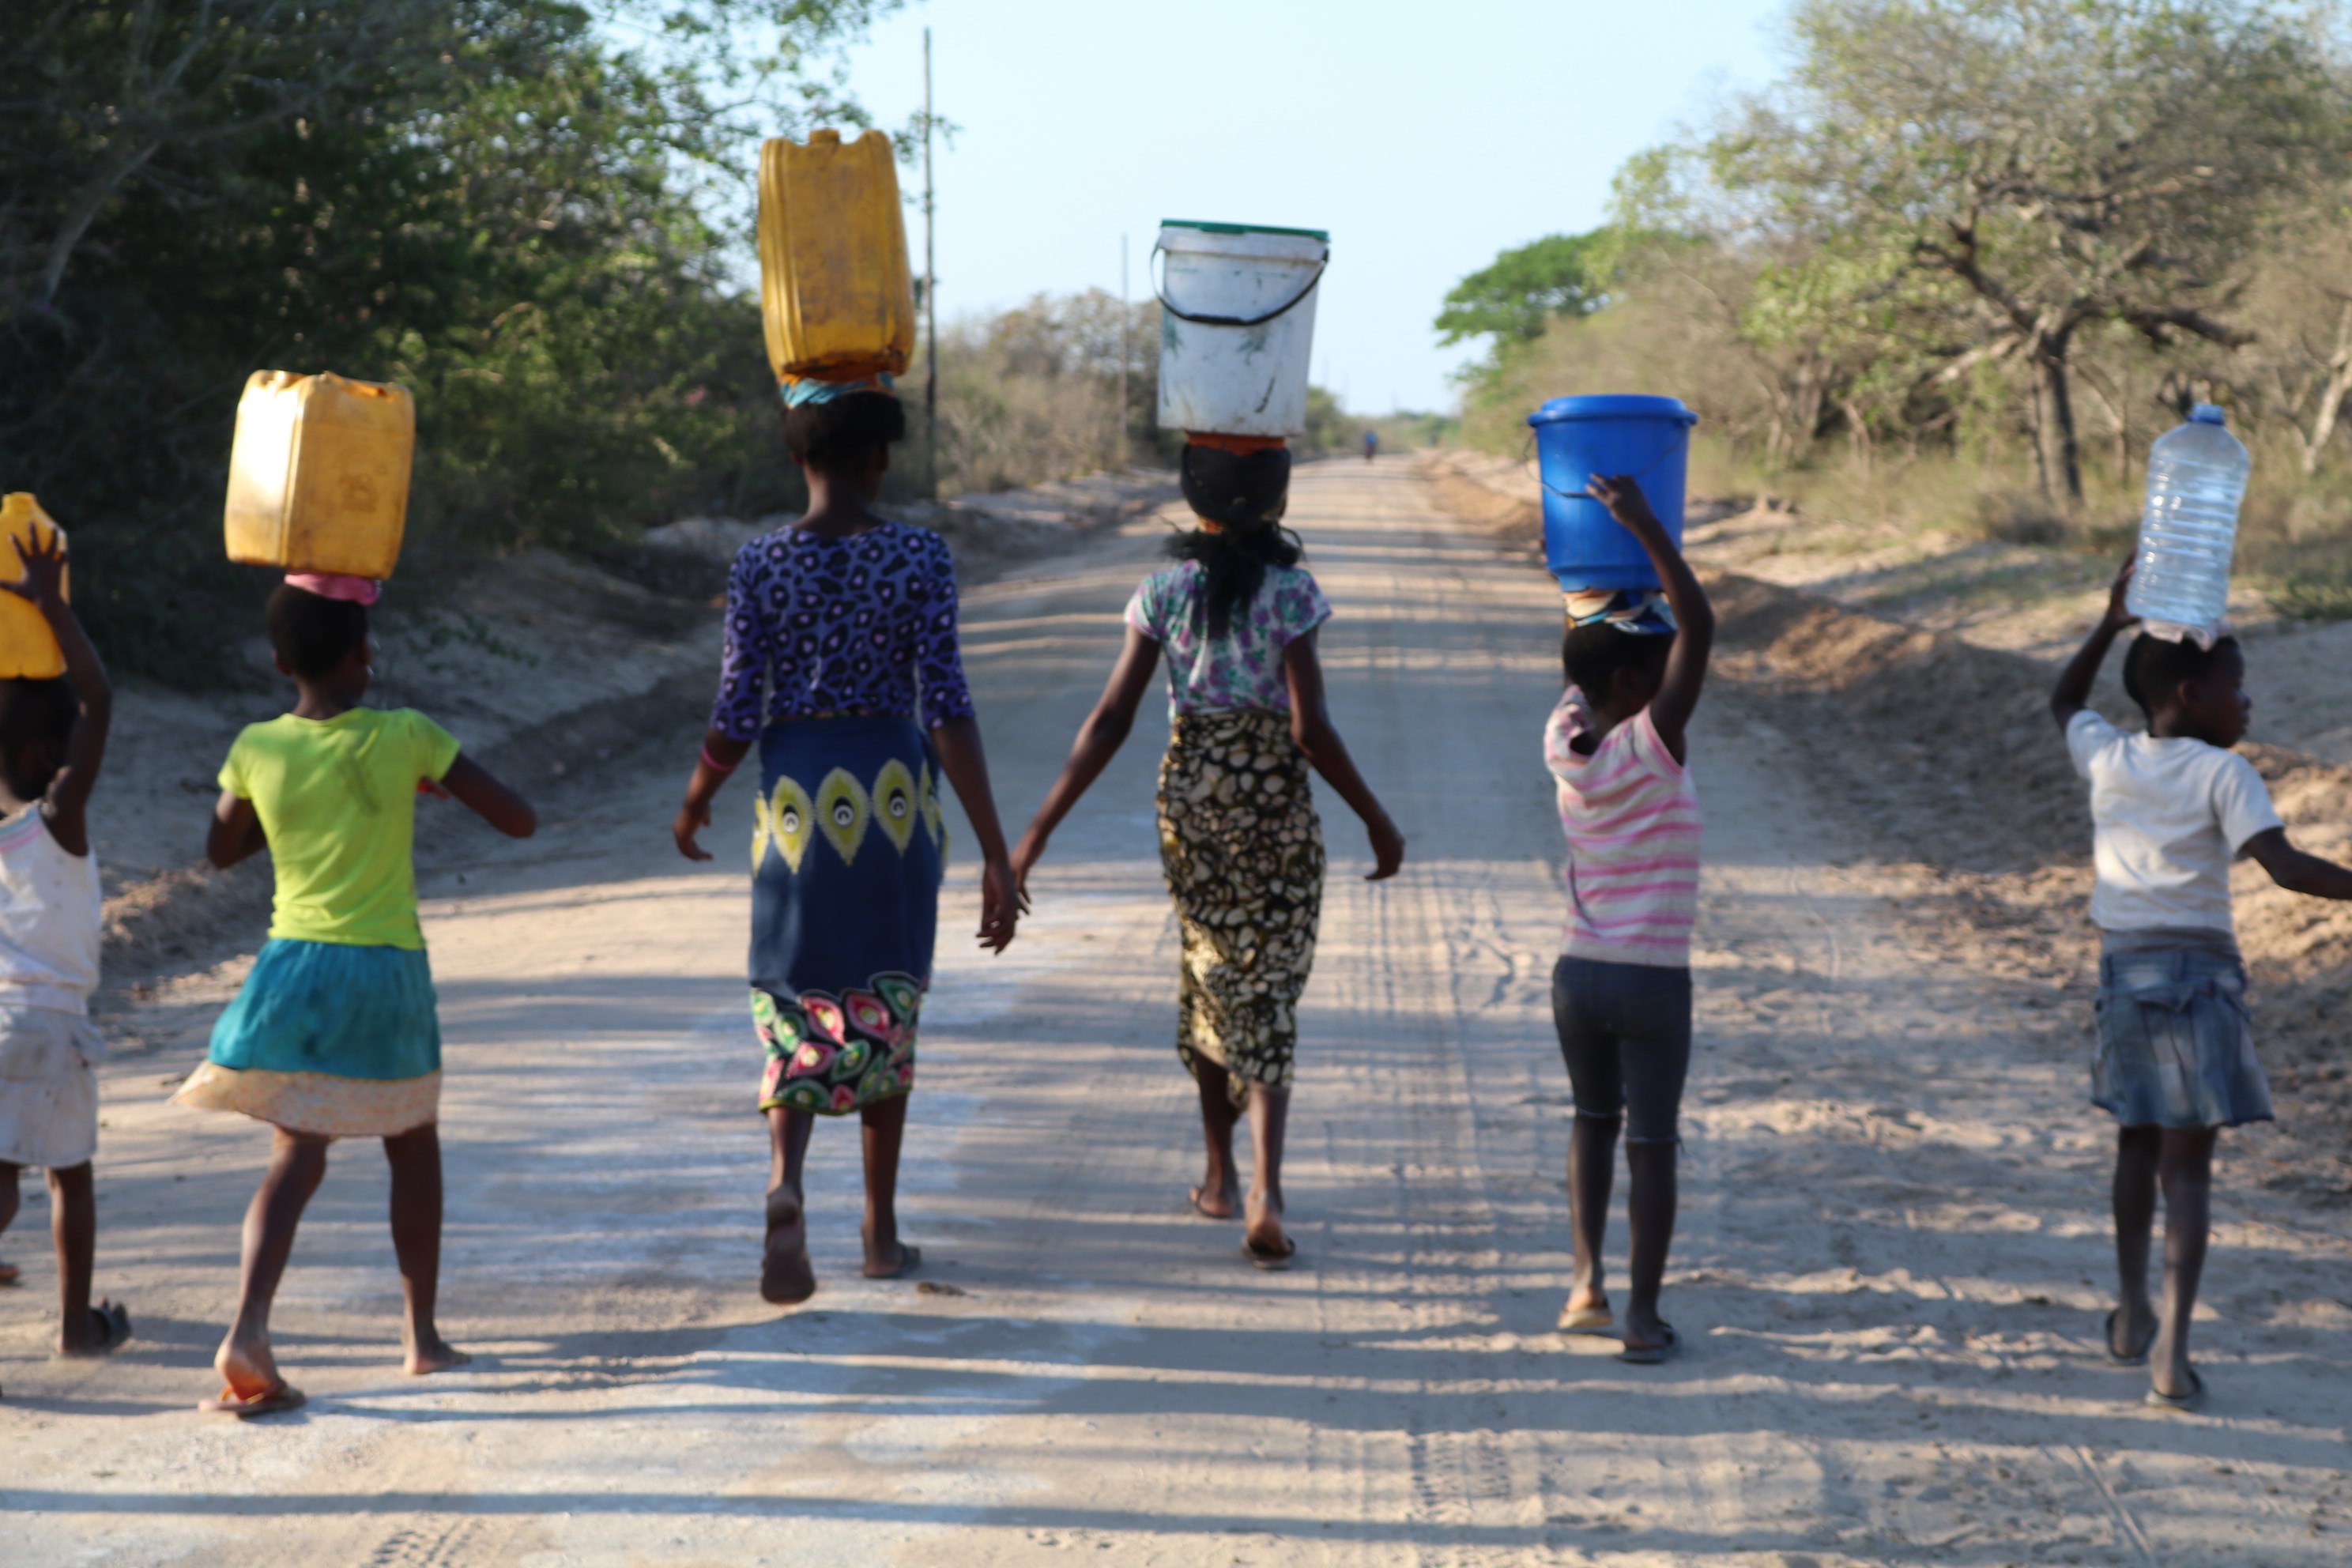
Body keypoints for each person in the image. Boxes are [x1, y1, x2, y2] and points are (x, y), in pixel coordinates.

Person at [1012, 439, 1404, 1269]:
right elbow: (1308, 727)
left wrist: (1037, 830)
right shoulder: (1293, 591)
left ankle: (1219, 1177)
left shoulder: (1162, 591)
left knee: (1209, 969)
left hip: (1190, 798)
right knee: (1270, 982)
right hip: (1272, 801)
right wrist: (1374, 814)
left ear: (1194, 500)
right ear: (1279, 501)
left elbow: (1110, 721)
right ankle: (1265, 1187)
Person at [673, 386, 1021, 1307]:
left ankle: (786, 1180)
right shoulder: (919, 556)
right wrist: (995, 847)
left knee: (797, 993)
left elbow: (738, 707)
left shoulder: (757, 563)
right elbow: (945, 702)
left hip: (795, 805)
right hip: (891, 800)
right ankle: (877, 1230)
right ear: (881, 460)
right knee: (885, 998)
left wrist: (696, 798)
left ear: (798, 459)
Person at [175, 576, 536, 1417]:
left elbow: (221, 850)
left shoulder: (258, 747)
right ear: (364, 654)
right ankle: (421, 1339)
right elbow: (518, 819)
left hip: (293, 969)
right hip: (383, 971)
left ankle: (249, 1324)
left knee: (296, 1156)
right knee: (412, 1146)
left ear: (276, 662)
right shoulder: (407, 734)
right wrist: (430, 777)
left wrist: (285, 797)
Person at [2050, 556, 2352, 1412]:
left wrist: (2109, 623)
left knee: (2135, 1144)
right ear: (2189, 693)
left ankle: (2130, 1314)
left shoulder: (2109, 758)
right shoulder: (2227, 774)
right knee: (2189, 1172)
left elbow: (2064, 704)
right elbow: (2286, 868)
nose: (2249, 702)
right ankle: (2171, 1358)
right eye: (2238, 686)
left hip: (2123, 976)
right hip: (2200, 982)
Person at [1544, 474, 1713, 1366]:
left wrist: (1591, 580)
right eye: (1655, 671)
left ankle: (1585, 1288)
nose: (1671, 678)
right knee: (1652, 1143)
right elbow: (1701, 627)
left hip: (1578, 975)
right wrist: (1645, 526)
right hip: (1651, 981)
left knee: (1590, 1121)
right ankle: (1642, 1317)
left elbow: (1583, 658)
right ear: (1632, 681)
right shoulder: (1654, 741)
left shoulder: (1567, 737)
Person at [0, 522, 130, 1360]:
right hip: (49, 1029)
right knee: (67, 1173)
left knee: (0, 1180)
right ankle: (77, 1327)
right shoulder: (58, 820)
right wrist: (52, 604)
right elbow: (100, 700)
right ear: (53, 755)